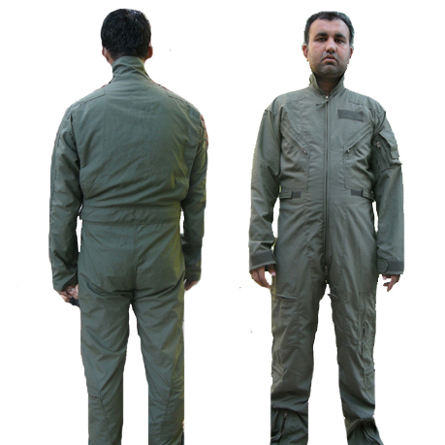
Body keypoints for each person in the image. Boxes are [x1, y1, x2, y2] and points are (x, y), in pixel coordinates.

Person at [49, 9, 207, 445]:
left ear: (105, 52)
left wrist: (64, 272)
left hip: (101, 262)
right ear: (149, 51)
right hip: (162, 259)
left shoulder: (79, 116)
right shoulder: (187, 116)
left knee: (102, 377)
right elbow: (195, 202)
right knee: (167, 373)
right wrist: (191, 263)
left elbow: (63, 203)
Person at [249, 11, 403, 445]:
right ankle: (287, 436)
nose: (330, 46)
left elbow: (390, 183)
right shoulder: (281, 109)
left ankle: (363, 434)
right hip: (295, 243)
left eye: (339, 39)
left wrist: (391, 253)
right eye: (321, 39)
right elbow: (262, 180)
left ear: (351, 50)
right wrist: (260, 246)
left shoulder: (371, 112)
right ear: (306, 50)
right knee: (291, 344)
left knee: (357, 341)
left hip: (357, 243)